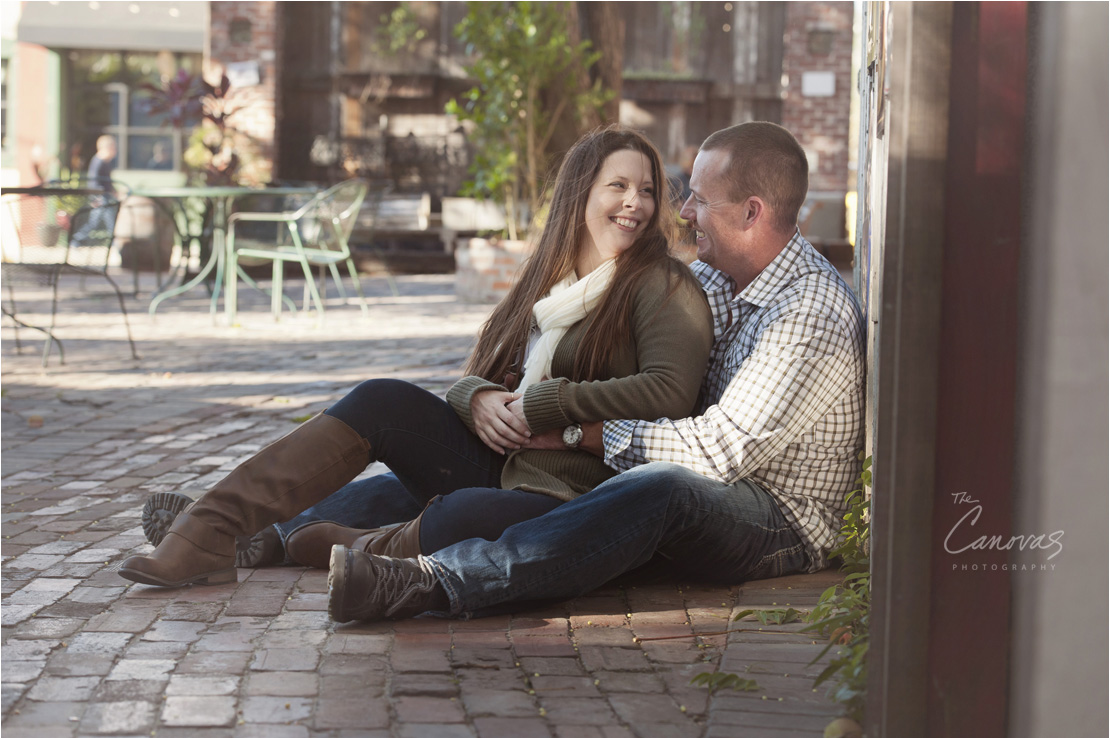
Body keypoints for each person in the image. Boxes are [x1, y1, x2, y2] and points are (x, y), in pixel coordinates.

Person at [118, 126, 714, 588]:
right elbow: (479, 370)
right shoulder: (552, 282)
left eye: (647, 189)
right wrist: (475, 397)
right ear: (580, 191)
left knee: (454, 514)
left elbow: (669, 392)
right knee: (382, 400)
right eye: (618, 185)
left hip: (567, 493)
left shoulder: (660, 284)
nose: (635, 202)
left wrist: (544, 404)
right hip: (496, 459)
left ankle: (325, 542)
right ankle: (208, 532)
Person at [322, 121, 866, 623]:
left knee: (662, 489)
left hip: (775, 519)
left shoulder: (807, 315)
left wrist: (577, 433)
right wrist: (495, 401)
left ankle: (433, 582)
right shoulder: (720, 277)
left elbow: (718, 454)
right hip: (694, 480)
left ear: (752, 213)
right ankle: (278, 529)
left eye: (699, 200)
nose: (683, 214)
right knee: (453, 455)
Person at [71, 135, 118, 246]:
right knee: (99, 222)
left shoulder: (106, 162)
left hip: (106, 196)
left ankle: (115, 244)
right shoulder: (98, 162)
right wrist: (97, 197)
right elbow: (93, 182)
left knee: (103, 222)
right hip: (101, 198)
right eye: (113, 148)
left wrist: (114, 191)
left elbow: (107, 182)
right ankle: (76, 241)